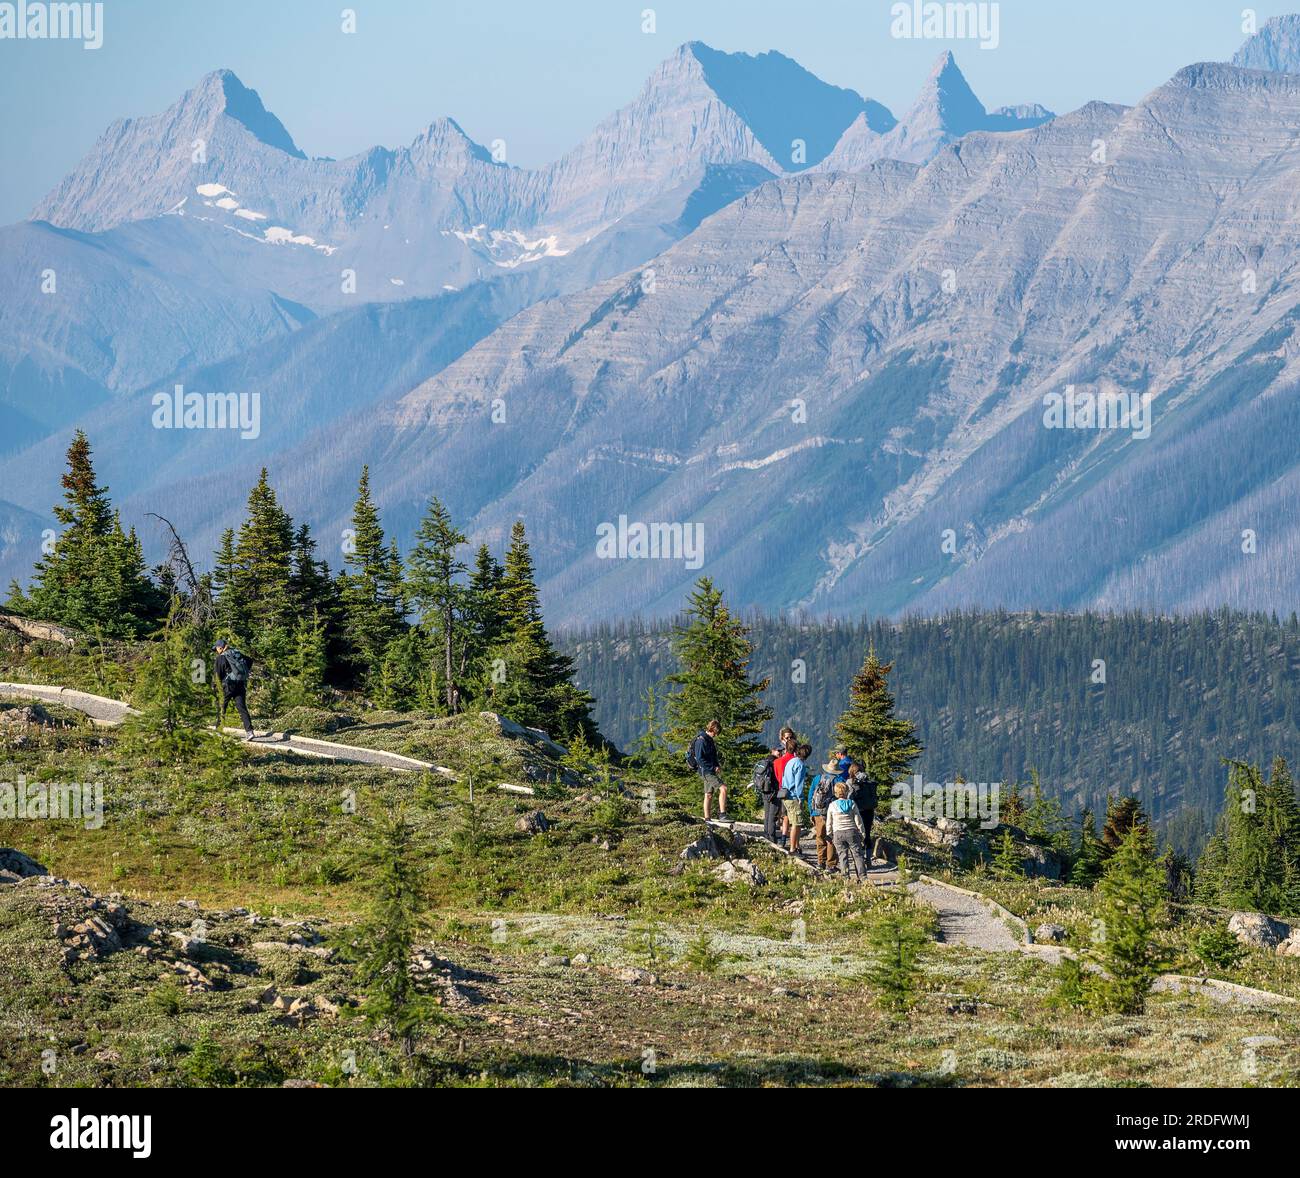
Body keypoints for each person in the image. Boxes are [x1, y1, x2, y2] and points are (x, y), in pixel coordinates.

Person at [214, 639, 255, 739]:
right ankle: (249, 732)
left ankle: (219, 730)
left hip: (228, 686)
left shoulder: (220, 658)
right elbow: (250, 660)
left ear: (220, 648)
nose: (216, 651)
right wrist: (242, 674)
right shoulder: (236, 653)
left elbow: (217, 675)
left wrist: (215, 686)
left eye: (216, 649)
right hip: (240, 684)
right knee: (242, 708)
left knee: (222, 708)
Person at [826, 780, 868, 879]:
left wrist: (829, 834)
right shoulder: (852, 803)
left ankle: (846, 877)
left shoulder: (832, 805)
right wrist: (862, 833)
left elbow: (829, 822)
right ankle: (863, 877)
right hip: (852, 832)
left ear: (836, 794)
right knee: (857, 855)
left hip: (838, 833)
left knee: (842, 856)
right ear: (847, 792)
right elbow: (859, 820)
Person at [690, 719, 727, 822]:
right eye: (715, 733)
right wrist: (712, 767)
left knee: (708, 794)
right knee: (723, 788)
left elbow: (713, 756)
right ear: (712, 729)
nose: (716, 735)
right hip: (705, 771)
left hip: (709, 770)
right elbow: (700, 759)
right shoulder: (701, 740)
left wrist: (717, 765)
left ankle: (707, 819)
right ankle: (722, 815)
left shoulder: (709, 740)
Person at [780, 743, 811, 854]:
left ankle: (797, 846)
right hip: (793, 796)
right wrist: (801, 798)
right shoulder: (800, 765)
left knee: (794, 822)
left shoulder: (791, 761)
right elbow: (799, 784)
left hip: (785, 794)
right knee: (796, 823)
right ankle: (793, 848)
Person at [809, 758, 840, 870]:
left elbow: (811, 795)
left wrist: (811, 811)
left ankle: (820, 862)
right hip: (832, 813)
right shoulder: (839, 779)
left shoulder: (817, 778)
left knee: (820, 836)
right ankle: (831, 864)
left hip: (817, 812)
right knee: (831, 837)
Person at [772, 733, 798, 842]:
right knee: (794, 819)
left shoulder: (777, 761)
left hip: (781, 789)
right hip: (792, 791)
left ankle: (783, 837)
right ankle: (793, 843)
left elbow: (777, 776)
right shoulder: (795, 761)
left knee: (783, 815)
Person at [848, 760, 877, 852]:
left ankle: (858, 856)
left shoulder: (850, 782)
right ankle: (868, 857)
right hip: (869, 810)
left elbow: (848, 797)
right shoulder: (868, 782)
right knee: (867, 833)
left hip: (857, 811)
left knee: (856, 833)